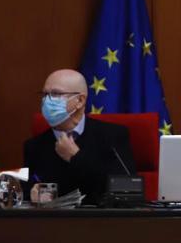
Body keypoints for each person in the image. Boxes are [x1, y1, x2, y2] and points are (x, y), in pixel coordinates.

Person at [23, 68, 135, 205]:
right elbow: (28, 188)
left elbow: (126, 191)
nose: (47, 101)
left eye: (56, 94)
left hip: (102, 221)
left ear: (80, 100)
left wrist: (76, 157)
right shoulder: (34, 146)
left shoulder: (112, 136)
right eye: (45, 94)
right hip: (55, 223)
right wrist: (31, 191)